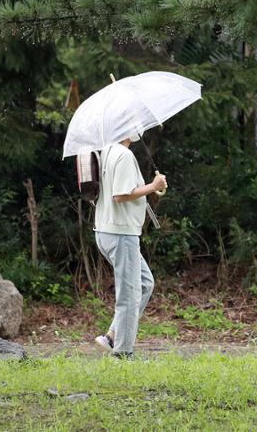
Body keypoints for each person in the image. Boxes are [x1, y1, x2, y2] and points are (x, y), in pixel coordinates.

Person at [93, 135, 167, 358]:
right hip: (120, 233)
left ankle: (112, 336)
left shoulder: (106, 151)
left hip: (107, 231)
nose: (140, 129)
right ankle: (122, 352)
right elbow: (120, 195)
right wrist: (153, 186)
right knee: (129, 293)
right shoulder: (123, 155)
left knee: (145, 283)